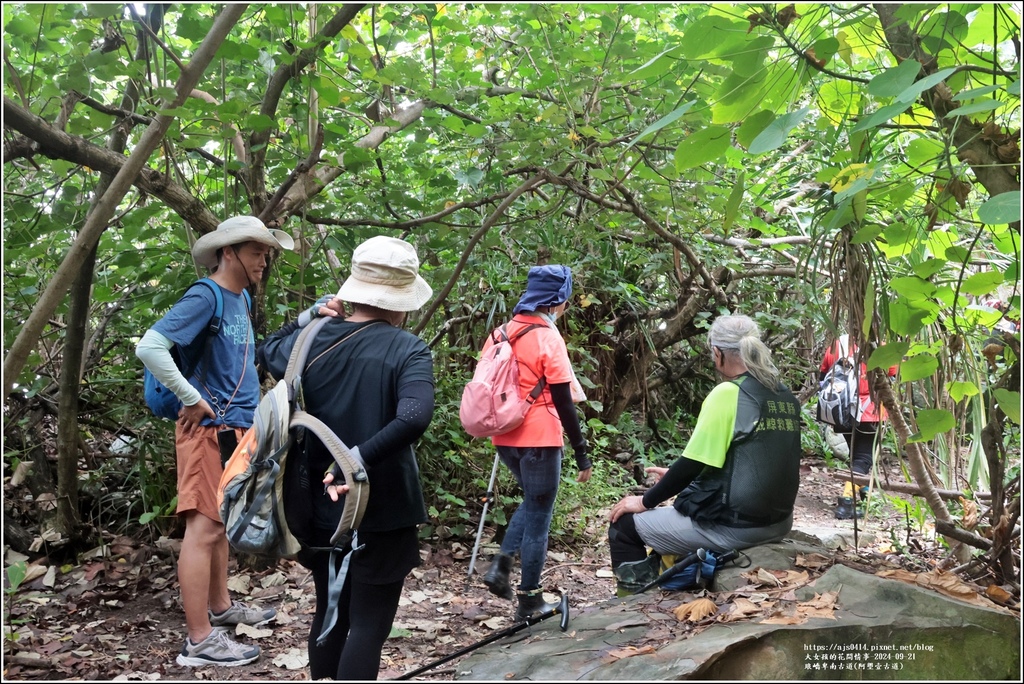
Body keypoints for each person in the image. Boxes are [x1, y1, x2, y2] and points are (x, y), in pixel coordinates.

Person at [257, 235, 435, 681]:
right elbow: (413, 417)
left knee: (331, 611)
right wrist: (355, 460)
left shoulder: (308, 341)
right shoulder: (406, 348)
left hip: (317, 506)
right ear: (402, 299)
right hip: (383, 506)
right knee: (369, 625)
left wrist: (312, 316)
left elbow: (266, 349)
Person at [136, 215, 293, 666]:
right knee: (202, 530)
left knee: (220, 523)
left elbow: (248, 359)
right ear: (229, 253)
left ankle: (221, 610)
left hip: (234, 430)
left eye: (266, 252)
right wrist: (190, 398)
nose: (265, 260)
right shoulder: (205, 296)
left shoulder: (239, 296)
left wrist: (309, 315)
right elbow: (150, 346)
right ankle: (199, 640)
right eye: (257, 251)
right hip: (208, 432)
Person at [607, 314, 801, 595]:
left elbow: (694, 462)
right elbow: (745, 459)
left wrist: (645, 500)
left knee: (623, 525)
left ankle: (630, 604)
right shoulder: (783, 394)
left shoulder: (728, 393)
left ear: (717, 352)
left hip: (737, 528)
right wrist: (673, 477)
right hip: (779, 523)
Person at [480, 264, 593, 621]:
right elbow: (562, 400)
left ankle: (501, 563)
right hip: (541, 437)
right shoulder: (548, 337)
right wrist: (581, 452)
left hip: (504, 435)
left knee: (531, 501)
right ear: (558, 300)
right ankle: (529, 601)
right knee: (540, 516)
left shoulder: (499, 334)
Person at [819, 333, 896, 519]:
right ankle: (846, 502)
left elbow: (824, 374)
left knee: (857, 456)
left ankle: (865, 494)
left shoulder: (839, 343)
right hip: (869, 410)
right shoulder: (882, 346)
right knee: (864, 459)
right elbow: (891, 377)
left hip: (841, 409)